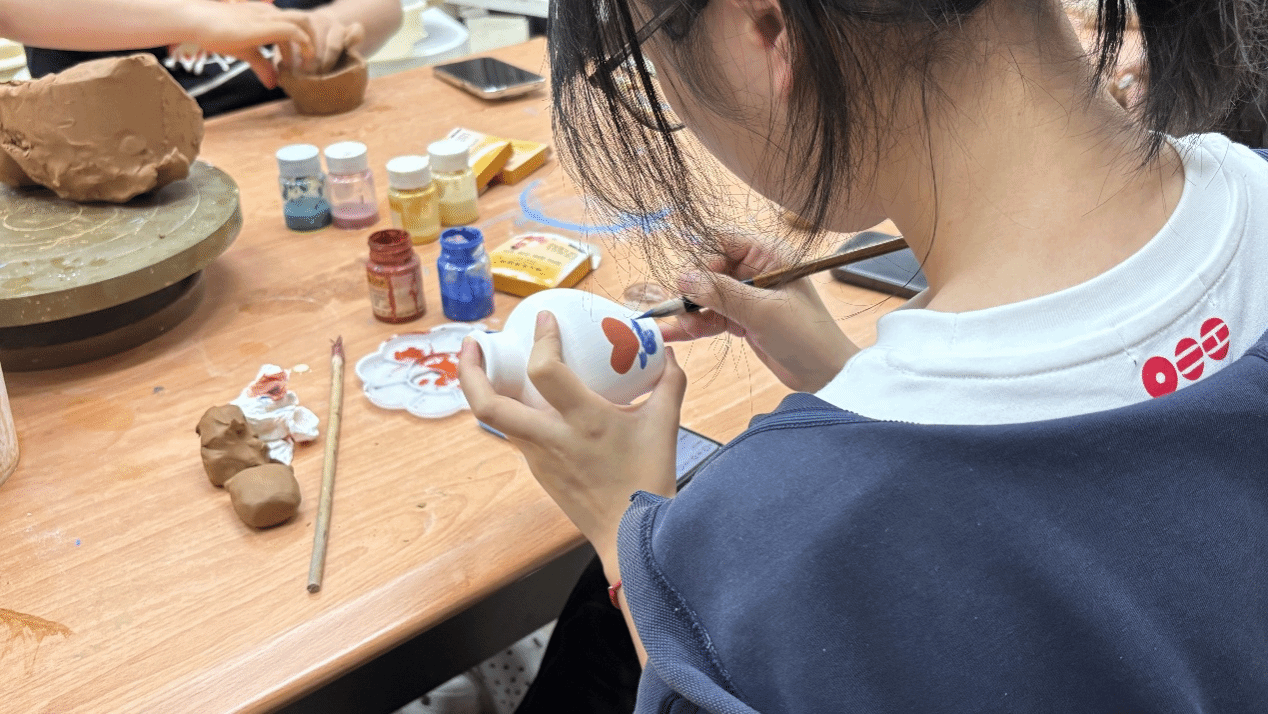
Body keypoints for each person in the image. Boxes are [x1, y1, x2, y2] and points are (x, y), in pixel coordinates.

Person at [459, 0, 1268, 709]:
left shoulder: (796, 538)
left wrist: (625, 535)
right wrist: (843, 378)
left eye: (651, 65)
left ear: (767, 26)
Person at [6, 0, 401, 116]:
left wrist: (326, 24)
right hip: (116, 163)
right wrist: (194, 18)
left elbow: (385, 6)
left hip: (282, 127)